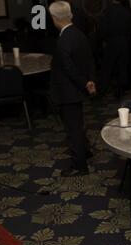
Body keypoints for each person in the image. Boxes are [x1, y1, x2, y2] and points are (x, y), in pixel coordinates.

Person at [49, 1, 96, 177]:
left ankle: (79, 166)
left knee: (73, 129)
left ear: (54, 18)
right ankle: (86, 151)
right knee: (77, 124)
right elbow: (89, 59)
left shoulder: (63, 40)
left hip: (68, 92)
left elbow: (68, 68)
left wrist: (84, 82)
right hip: (77, 89)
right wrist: (90, 80)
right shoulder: (79, 34)